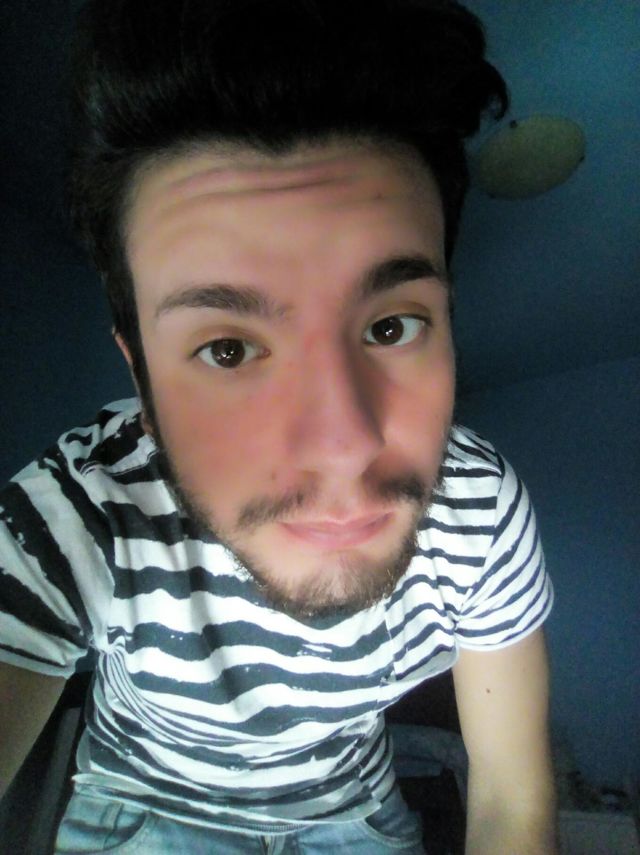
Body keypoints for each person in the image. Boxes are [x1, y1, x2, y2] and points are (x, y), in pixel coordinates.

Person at [0, 0, 557, 852]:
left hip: (357, 816)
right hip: (146, 809)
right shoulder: (74, 516)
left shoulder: (482, 511)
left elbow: (512, 798)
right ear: (140, 377)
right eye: (227, 349)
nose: (342, 445)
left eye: (391, 326)